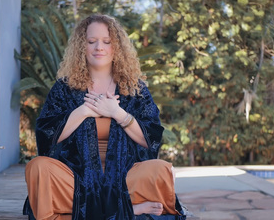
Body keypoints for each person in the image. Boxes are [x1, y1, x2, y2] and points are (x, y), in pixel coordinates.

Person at [24, 14, 185, 220]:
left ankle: (83, 213)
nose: (99, 47)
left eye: (107, 42)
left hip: (126, 179)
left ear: (116, 47)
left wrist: (117, 113)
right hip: (75, 180)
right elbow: (46, 136)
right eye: (91, 41)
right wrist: (83, 111)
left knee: (160, 170)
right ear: (82, 46)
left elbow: (151, 138)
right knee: (38, 168)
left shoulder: (135, 89)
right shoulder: (64, 89)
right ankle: (126, 211)